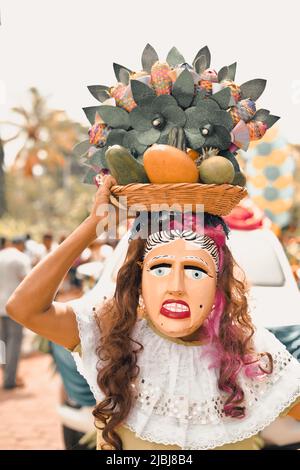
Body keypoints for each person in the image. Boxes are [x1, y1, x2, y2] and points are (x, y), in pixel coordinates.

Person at [6, 177, 300, 449]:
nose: (176, 287)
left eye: (195, 271)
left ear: (218, 284)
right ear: (139, 278)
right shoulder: (110, 333)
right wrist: (95, 223)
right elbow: (23, 308)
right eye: (160, 269)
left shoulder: (252, 353)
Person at [0, 235, 31, 389]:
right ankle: (9, 379)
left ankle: (6, 372)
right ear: (20, 244)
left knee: (2, 342)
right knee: (14, 342)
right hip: (13, 306)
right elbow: (27, 282)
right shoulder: (21, 258)